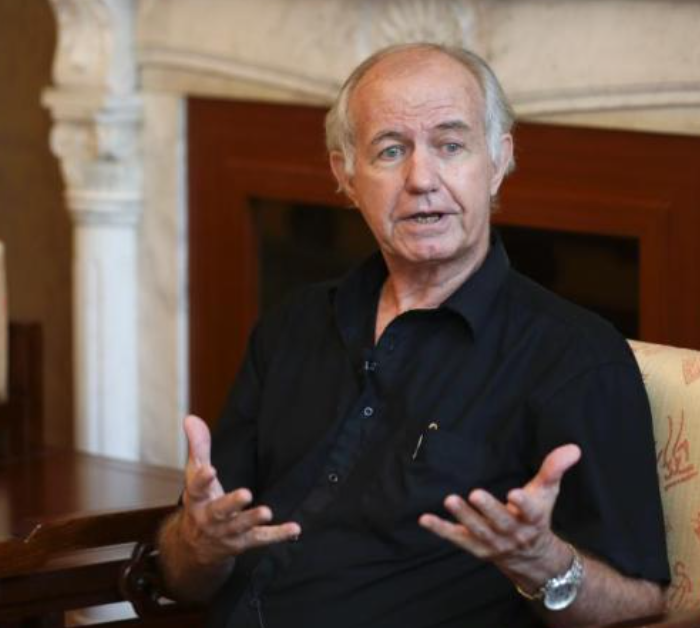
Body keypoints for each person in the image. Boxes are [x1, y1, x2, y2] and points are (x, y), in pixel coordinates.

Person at [158, 43, 669, 628]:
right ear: (345, 176)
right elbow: (182, 574)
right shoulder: (293, 325)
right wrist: (197, 542)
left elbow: (642, 603)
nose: (421, 179)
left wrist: (543, 564)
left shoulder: (574, 358)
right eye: (391, 150)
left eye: (450, 146)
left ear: (498, 161)